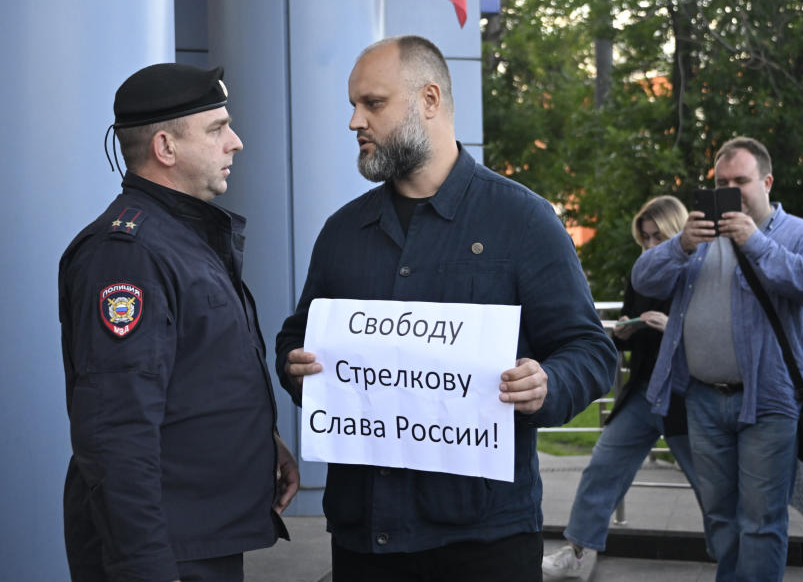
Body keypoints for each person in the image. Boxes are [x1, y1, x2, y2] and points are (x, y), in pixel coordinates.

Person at [274, 35, 617, 582]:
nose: (354, 122)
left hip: (484, 541)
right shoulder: (343, 231)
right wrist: (297, 365)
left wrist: (547, 383)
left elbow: (591, 350)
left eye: (373, 103)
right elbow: (297, 337)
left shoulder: (523, 221)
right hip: (365, 538)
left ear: (429, 100)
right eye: (353, 105)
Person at [59, 63, 299, 582]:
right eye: (217, 129)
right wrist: (145, 567)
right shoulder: (128, 255)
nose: (235, 142)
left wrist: (263, 443)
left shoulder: (181, 237)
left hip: (197, 535)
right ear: (165, 148)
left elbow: (197, 373)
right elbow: (116, 430)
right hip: (164, 550)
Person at [633, 137, 803, 581]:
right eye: (721, 182)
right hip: (704, 398)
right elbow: (644, 278)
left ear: (767, 181)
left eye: (740, 180)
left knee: (761, 520)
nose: (731, 189)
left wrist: (756, 243)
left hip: (771, 399)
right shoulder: (698, 236)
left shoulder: (801, 233)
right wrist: (678, 245)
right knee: (719, 514)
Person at [541, 195, 703, 581]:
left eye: (657, 237)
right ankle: (578, 550)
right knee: (603, 467)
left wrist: (674, 328)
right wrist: (625, 332)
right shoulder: (642, 270)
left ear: (677, 232)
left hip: (685, 395)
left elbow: (716, 336)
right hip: (645, 391)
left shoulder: (700, 267)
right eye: (644, 237)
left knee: (710, 486)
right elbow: (630, 339)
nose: (649, 246)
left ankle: (733, 559)